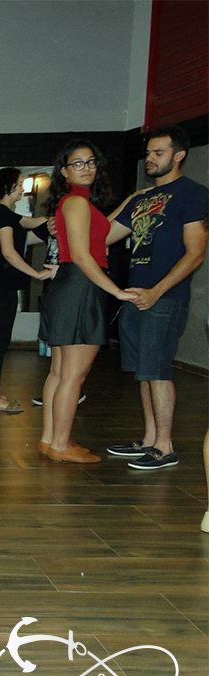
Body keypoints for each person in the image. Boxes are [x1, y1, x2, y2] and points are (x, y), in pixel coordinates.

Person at [104, 126, 208, 470]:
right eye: (148, 153)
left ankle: (165, 446)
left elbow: (196, 253)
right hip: (136, 295)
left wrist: (156, 291)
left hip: (164, 297)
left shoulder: (193, 194)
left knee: (159, 370)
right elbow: (102, 236)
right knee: (144, 371)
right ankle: (149, 439)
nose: (150, 158)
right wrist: (130, 199)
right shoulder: (142, 199)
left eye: (158, 153)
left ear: (179, 155)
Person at [39, 141, 135, 463]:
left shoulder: (74, 202)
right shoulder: (77, 203)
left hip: (69, 286)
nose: (87, 168)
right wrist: (117, 291)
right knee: (73, 375)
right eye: (78, 163)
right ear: (64, 171)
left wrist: (130, 203)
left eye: (91, 162)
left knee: (60, 372)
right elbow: (82, 255)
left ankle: (50, 439)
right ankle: (61, 444)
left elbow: (100, 237)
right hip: (80, 286)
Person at [0, 169, 53, 413]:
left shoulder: (7, 214)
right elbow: (9, 252)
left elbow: (29, 227)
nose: (23, 187)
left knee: (1, 338)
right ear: (8, 186)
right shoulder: (0, 213)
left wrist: (54, 222)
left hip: (3, 284)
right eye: (20, 183)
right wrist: (36, 273)